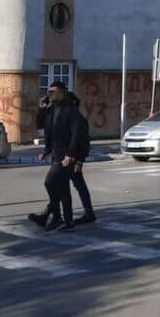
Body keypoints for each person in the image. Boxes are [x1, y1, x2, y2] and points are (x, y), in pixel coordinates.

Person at [28, 81, 85, 232]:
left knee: (50, 183)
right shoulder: (52, 109)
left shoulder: (70, 110)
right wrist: (41, 108)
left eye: (54, 92)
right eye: (49, 92)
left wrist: (71, 155)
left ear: (62, 93)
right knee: (63, 189)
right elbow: (40, 125)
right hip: (56, 153)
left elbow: (76, 134)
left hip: (66, 155)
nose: (50, 94)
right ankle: (66, 220)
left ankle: (58, 217)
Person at [67, 91, 96, 224]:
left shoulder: (78, 119)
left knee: (78, 186)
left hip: (74, 159)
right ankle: (89, 212)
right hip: (67, 157)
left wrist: (80, 161)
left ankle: (89, 213)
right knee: (60, 185)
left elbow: (84, 142)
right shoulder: (69, 118)